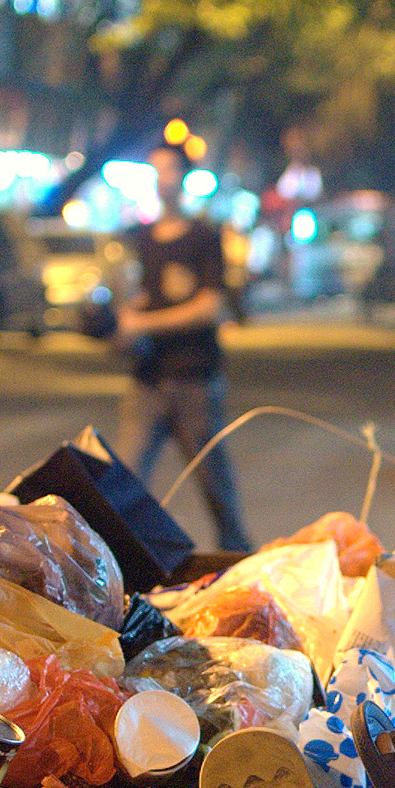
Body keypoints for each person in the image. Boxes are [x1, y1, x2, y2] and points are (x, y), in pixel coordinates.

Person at [112, 141, 249, 549]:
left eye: (169, 169)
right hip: (147, 379)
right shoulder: (137, 238)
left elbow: (210, 306)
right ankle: (120, 568)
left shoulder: (204, 237)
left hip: (195, 378)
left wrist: (144, 323)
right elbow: (129, 296)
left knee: (216, 487)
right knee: (121, 482)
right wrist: (121, 324)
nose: (161, 179)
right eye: (154, 170)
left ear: (185, 176)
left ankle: (238, 563)